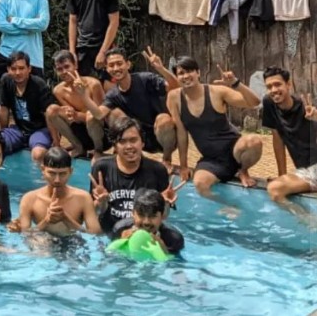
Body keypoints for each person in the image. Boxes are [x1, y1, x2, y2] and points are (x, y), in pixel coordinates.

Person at [167, 57, 263, 196]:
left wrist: (236, 83)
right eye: (181, 73)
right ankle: (228, 205)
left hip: (235, 151)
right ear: (176, 77)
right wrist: (183, 166)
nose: (186, 76)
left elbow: (254, 102)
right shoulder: (174, 98)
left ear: (198, 73)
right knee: (200, 184)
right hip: (211, 160)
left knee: (254, 141)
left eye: (189, 71)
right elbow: (181, 133)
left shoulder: (216, 92)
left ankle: (242, 171)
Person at [73, 47, 179, 170]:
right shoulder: (113, 95)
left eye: (119, 63)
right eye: (111, 65)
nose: (116, 68)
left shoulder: (145, 79)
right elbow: (99, 115)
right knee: (112, 113)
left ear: (128, 64)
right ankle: (127, 154)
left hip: (161, 136)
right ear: (107, 69)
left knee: (164, 119)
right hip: (136, 138)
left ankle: (166, 159)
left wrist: (161, 69)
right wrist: (84, 95)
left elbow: (176, 87)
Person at [89, 117, 182, 233]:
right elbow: (94, 213)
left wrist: (166, 204)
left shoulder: (157, 170)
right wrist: (101, 203)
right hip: (110, 233)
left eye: (133, 140)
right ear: (115, 146)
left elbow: (163, 216)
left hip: (144, 233)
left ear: (142, 143)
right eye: (122, 141)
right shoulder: (101, 168)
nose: (129, 146)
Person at [261, 67, 317, 203]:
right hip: (305, 171)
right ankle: (303, 216)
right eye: (269, 86)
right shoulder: (269, 103)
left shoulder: (306, 107)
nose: (274, 90)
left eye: (278, 84)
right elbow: (277, 139)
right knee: (275, 189)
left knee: (275, 188)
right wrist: (282, 175)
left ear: (288, 84)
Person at [18, 147, 101, 235]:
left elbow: (95, 233)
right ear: (43, 170)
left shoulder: (83, 198)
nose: (57, 180)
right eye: (52, 173)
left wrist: (65, 218)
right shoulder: (29, 199)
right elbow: (25, 233)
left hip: (73, 240)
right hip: (41, 239)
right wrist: (46, 221)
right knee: (40, 241)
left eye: (62, 174)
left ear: (70, 171)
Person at [66, 0, 119, 78]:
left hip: (104, 47)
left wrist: (103, 52)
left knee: (107, 86)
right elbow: (72, 22)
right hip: (82, 48)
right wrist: (72, 52)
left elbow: (114, 22)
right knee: (83, 85)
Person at [46, 49, 107, 160]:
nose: (64, 72)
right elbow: (71, 117)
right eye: (60, 69)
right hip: (80, 131)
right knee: (51, 110)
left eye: (67, 67)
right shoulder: (58, 91)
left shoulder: (93, 84)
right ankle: (78, 147)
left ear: (75, 65)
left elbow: (101, 117)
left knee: (91, 116)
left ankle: (98, 150)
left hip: (101, 135)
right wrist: (71, 114)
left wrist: (77, 114)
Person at [0, 51, 55, 163]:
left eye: (21, 68)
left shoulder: (39, 84)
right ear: (8, 69)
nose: (17, 72)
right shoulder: (6, 81)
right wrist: (3, 131)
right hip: (18, 129)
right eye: (13, 69)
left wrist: (56, 141)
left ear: (29, 69)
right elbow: (3, 108)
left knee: (38, 154)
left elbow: (49, 114)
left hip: (40, 129)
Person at [110, 188, 185, 256]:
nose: (146, 222)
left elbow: (177, 264)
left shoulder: (173, 239)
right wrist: (121, 242)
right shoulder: (120, 229)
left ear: (162, 216)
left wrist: (165, 252)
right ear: (133, 214)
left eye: (153, 216)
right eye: (141, 215)